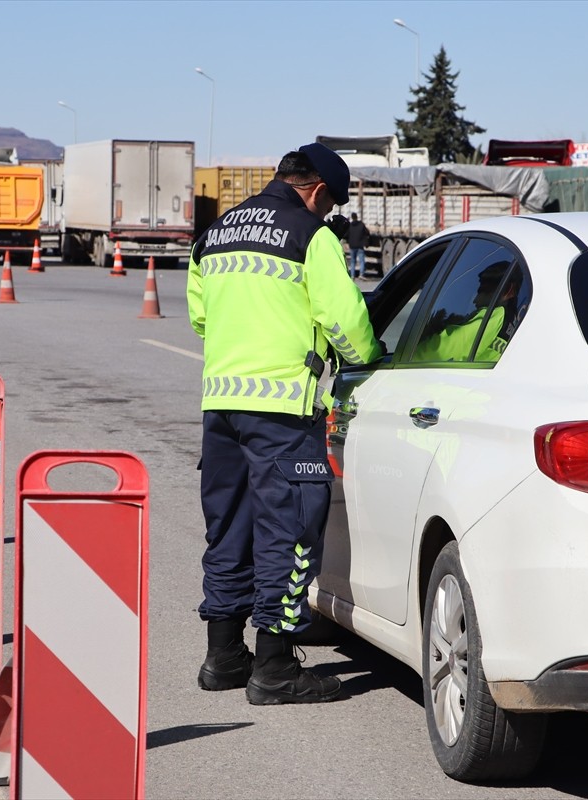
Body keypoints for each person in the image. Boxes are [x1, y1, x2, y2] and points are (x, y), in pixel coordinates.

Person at [186, 142, 382, 705]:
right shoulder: (310, 235)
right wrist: (361, 358)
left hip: (221, 405)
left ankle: (223, 656)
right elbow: (346, 322)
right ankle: (274, 668)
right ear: (318, 191)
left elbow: (201, 317)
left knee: (228, 528)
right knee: (290, 531)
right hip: (282, 411)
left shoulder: (217, 231)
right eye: (328, 204)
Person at [345, 212, 370, 279]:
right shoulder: (361, 224)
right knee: (362, 260)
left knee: (353, 261)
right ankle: (361, 274)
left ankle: (352, 275)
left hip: (352, 246)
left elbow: (346, 235)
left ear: (352, 218)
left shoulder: (350, 226)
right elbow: (367, 232)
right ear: (357, 217)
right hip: (360, 246)